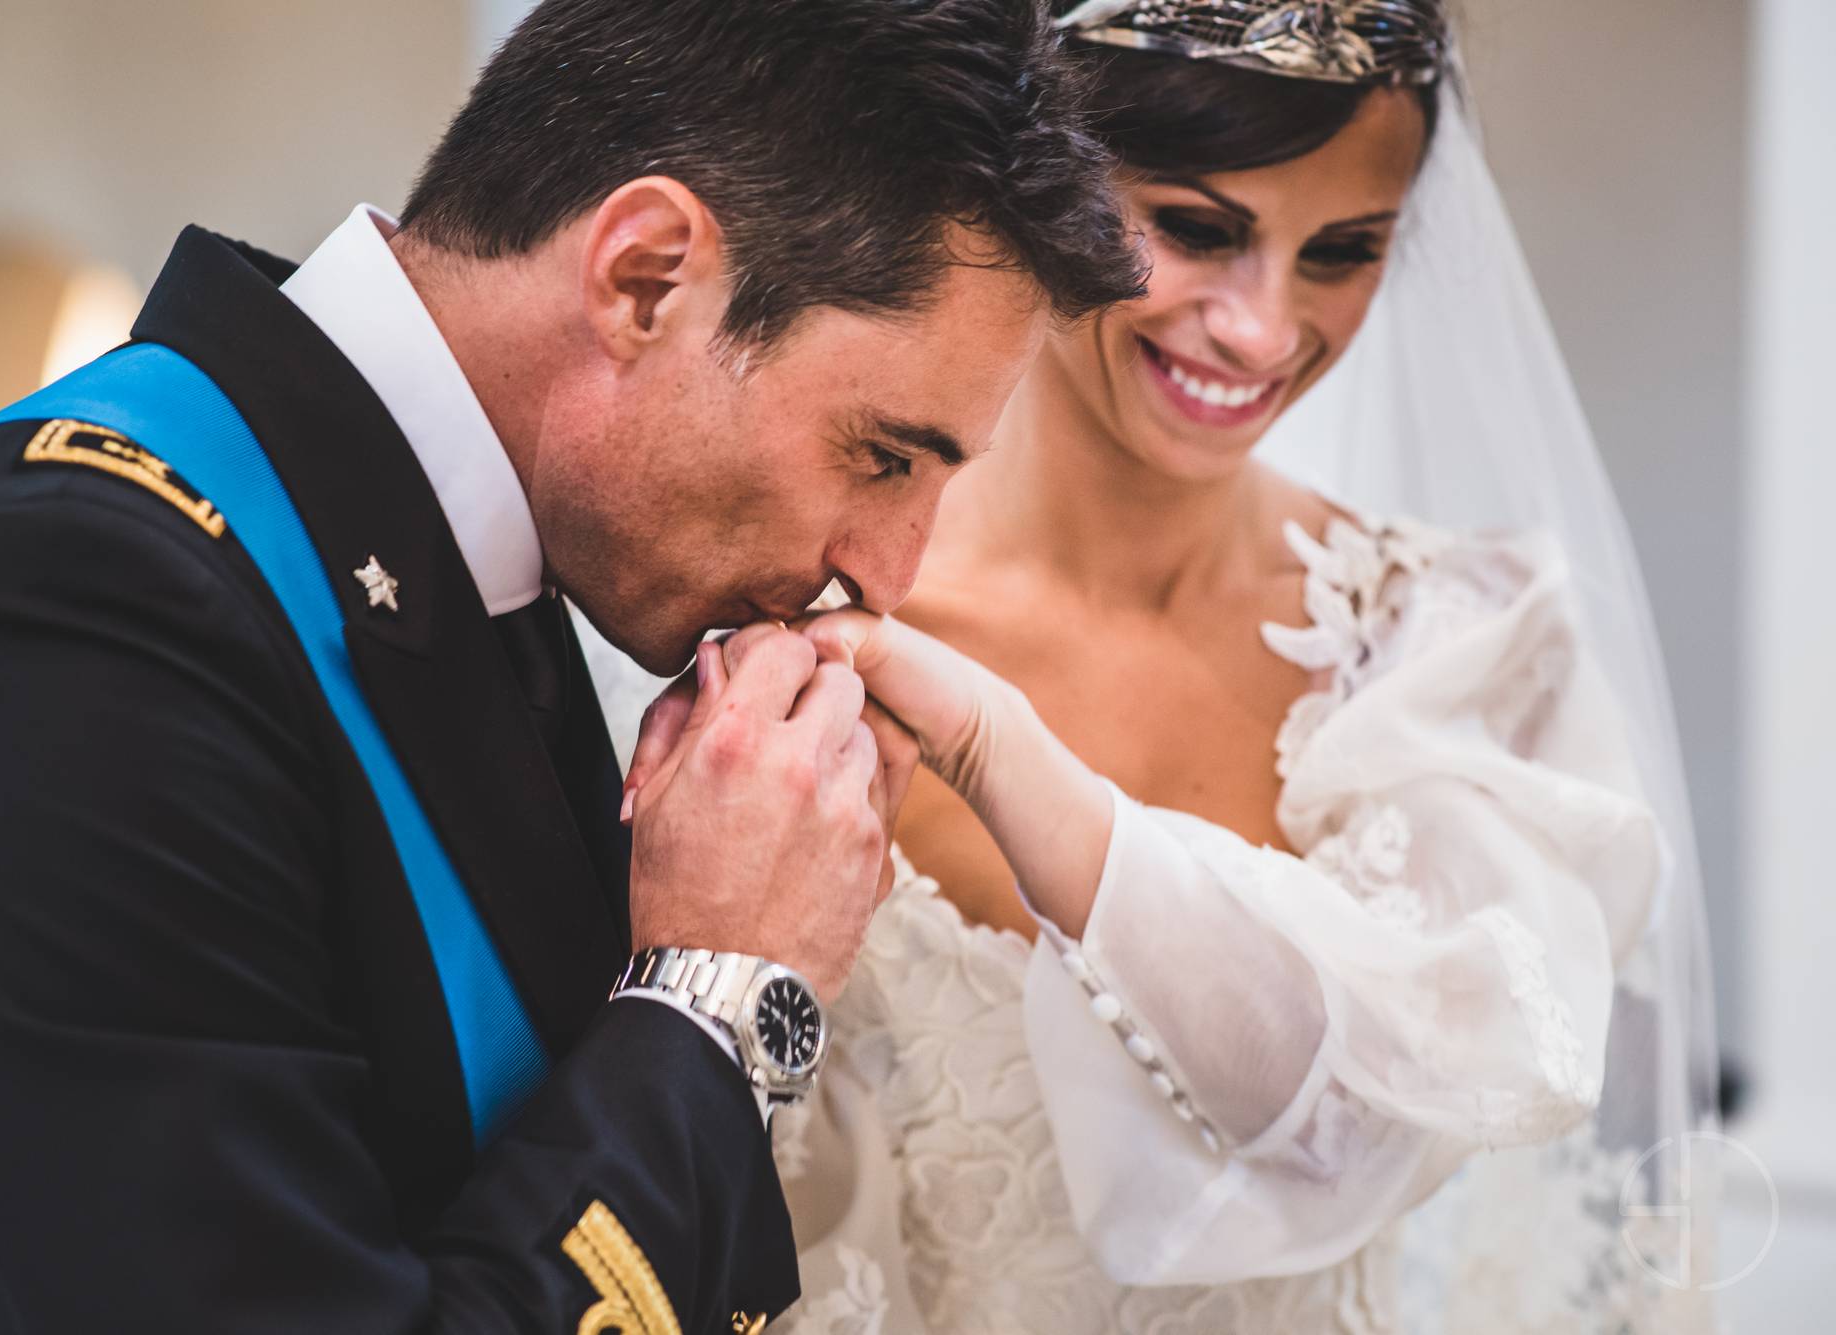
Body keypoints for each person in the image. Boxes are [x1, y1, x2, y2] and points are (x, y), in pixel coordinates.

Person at [0, 2, 1145, 1331]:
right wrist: (720, 991)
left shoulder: (487, 557)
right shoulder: (61, 602)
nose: (888, 574)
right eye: (882, 455)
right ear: (645, 277)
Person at [604, 2, 1721, 1330]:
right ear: (1042, 183)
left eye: (1343, 251)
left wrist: (1007, 761)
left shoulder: (1460, 648)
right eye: (1197, 229)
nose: (1261, 330)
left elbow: (1383, 1117)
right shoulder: (778, 614)